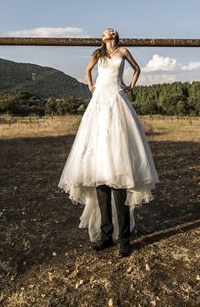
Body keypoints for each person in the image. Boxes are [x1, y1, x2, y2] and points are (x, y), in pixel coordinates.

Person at [58, 27, 160, 257]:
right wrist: (90, 85)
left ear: (115, 37)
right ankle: (106, 236)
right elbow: (87, 70)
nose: (108, 37)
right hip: (99, 104)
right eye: (105, 34)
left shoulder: (123, 51)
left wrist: (131, 86)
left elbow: (137, 69)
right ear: (102, 38)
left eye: (110, 34)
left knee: (119, 175)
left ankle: (124, 238)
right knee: (100, 176)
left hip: (117, 100)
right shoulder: (98, 55)